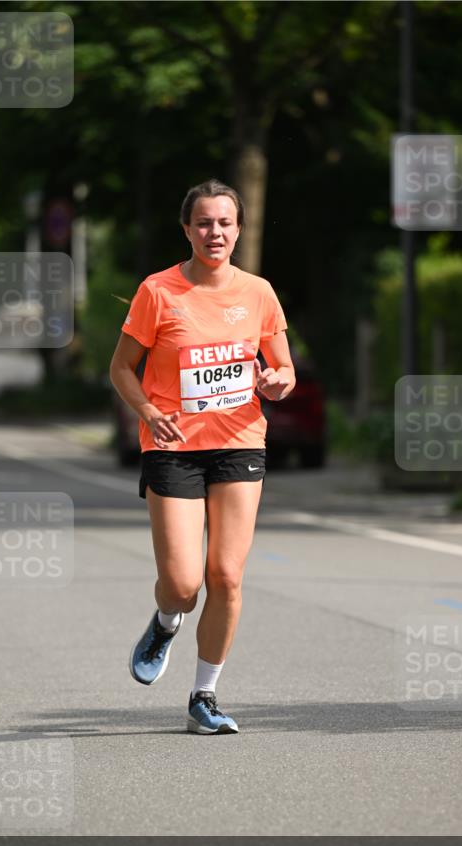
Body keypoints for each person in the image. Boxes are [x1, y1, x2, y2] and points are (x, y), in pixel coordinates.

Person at [109, 179, 295, 734]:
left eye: (225, 223)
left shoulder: (258, 292)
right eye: (205, 223)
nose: (216, 233)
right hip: (172, 446)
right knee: (185, 583)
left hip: (239, 441)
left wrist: (276, 380)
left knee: (227, 576)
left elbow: (283, 368)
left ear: (239, 230)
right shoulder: (158, 292)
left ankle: (204, 697)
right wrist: (146, 409)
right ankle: (167, 620)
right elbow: (121, 368)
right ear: (187, 229)